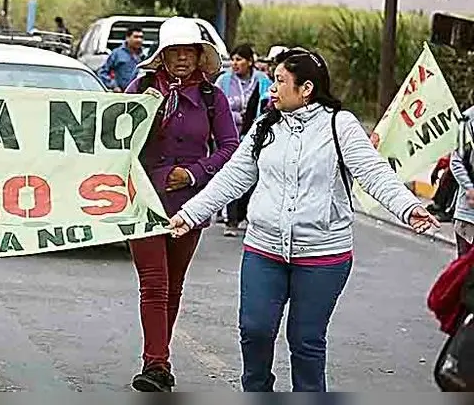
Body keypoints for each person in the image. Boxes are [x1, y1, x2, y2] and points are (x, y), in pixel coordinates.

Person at [166, 48, 440, 392]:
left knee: (306, 340)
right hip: (264, 249)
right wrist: (190, 214)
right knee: (254, 329)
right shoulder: (266, 125)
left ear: (306, 88)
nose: (271, 89)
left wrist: (408, 207)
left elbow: (374, 173)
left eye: (280, 81)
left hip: (324, 255)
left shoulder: (341, 126)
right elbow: (232, 177)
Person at [121, 16, 240, 392]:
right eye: (175, 52)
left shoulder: (211, 98)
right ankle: (156, 363)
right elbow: (114, 137)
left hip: (190, 203)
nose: (183, 59)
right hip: (143, 199)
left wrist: (193, 173)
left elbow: (229, 147)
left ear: (200, 56)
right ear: (163, 57)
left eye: (190, 51)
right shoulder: (140, 89)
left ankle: (159, 357)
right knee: (153, 284)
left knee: (173, 286)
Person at [214, 44, 273, 236]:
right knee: (232, 174)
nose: (235, 63)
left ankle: (245, 214)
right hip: (228, 136)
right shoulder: (223, 80)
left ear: (250, 62)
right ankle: (231, 220)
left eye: (239, 59)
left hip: (255, 136)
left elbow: (268, 104)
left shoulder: (262, 80)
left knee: (253, 177)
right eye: (233, 59)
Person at [450, 105, 474, 256]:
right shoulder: (467, 119)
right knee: (466, 273)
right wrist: (470, 188)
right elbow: (456, 162)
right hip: (469, 217)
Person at [99, 27, 145, 93]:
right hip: (121, 94)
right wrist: (114, 86)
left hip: (139, 95)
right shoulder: (117, 53)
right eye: (136, 37)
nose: (139, 40)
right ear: (127, 38)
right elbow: (102, 72)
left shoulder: (145, 55)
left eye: (141, 37)